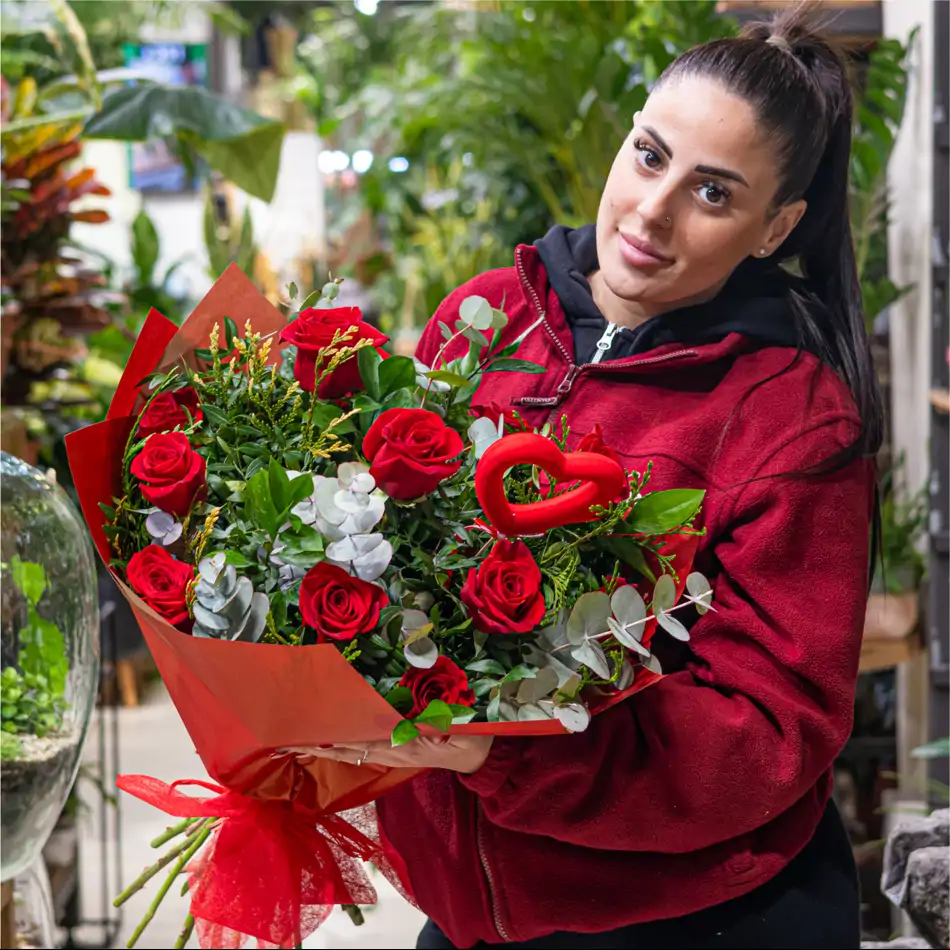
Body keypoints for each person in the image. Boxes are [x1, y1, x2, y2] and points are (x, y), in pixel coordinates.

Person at [302, 6, 878, 948]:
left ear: (776, 227)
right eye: (650, 156)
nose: (653, 212)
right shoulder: (483, 321)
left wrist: (512, 756)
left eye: (715, 194)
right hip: (475, 915)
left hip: (698, 919)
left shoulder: (787, 413)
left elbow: (770, 733)